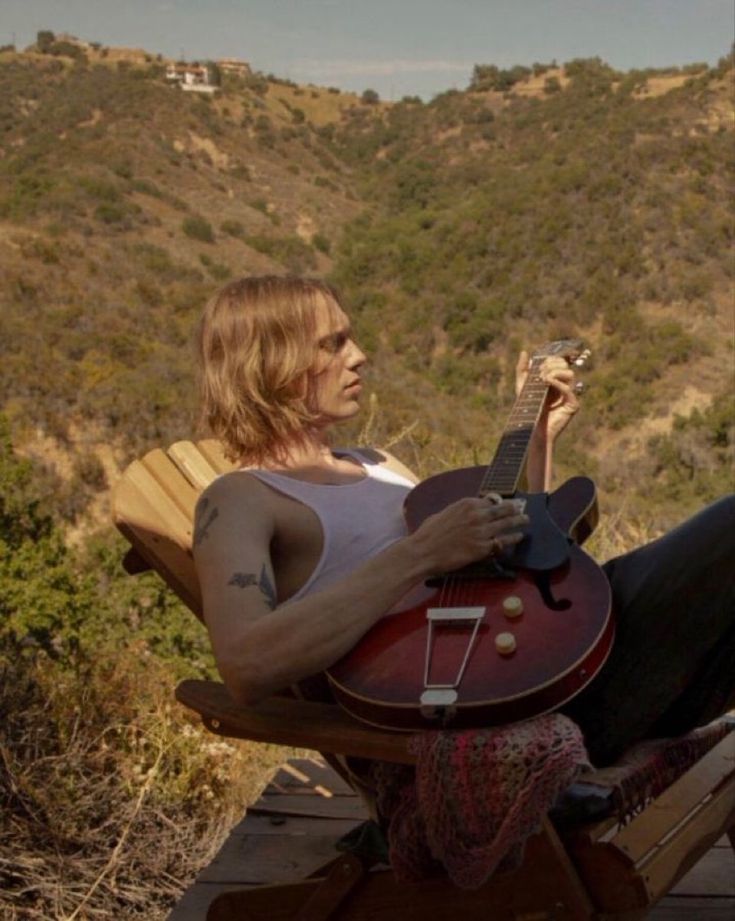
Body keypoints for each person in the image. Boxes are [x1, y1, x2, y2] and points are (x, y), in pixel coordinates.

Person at [193, 274, 735, 769]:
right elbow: (247, 664)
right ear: (272, 363)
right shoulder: (241, 499)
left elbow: (507, 558)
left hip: (543, 657)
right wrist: (421, 553)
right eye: (332, 344)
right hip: (488, 705)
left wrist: (538, 437)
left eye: (350, 337)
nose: (359, 356)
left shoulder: (373, 462)